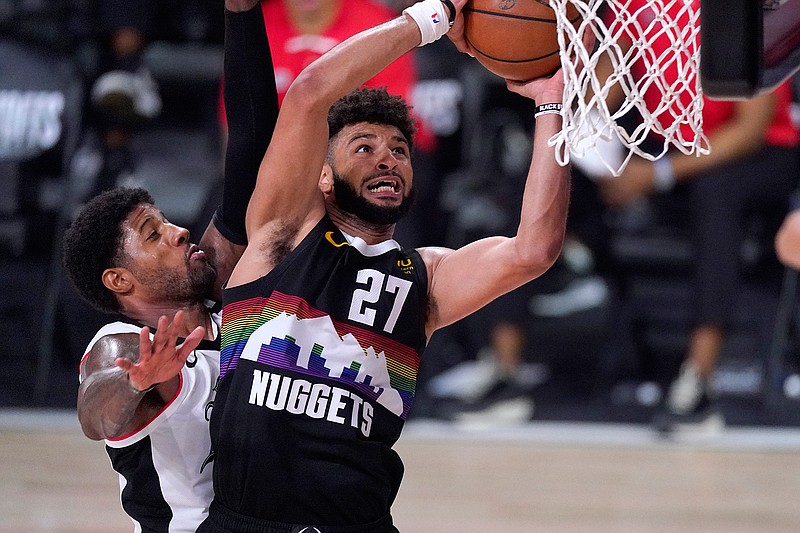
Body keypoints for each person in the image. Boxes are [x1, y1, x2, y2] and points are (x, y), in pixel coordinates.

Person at [198, 0, 572, 530]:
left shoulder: (426, 278)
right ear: (324, 178)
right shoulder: (280, 236)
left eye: (400, 148)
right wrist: (430, 18)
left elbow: (533, 249)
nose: (387, 157)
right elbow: (307, 94)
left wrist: (550, 105)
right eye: (364, 146)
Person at [61, 1, 279, 530]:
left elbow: (252, 145)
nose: (180, 231)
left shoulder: (225, 296)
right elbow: (96, 411)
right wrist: (137, 383)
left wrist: (241, 12)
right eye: (153, 235)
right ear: (120, 280)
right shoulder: (123, 343)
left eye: (166, 223)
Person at [593, 0, 800, 435]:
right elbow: (607, 89)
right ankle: (507, 366)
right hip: (671, 150)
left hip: (762, 155)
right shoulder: (634, 6)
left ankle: (698, 378)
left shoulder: (739, 9)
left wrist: (658, 174)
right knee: (550, 176)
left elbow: (751, 129)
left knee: (716, 191)